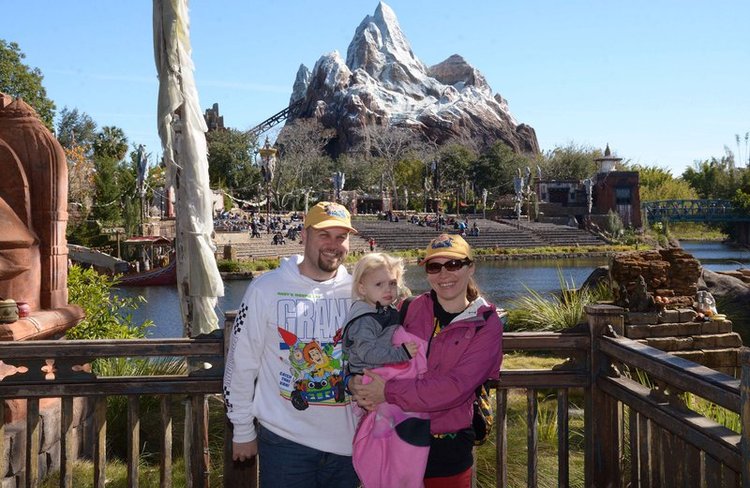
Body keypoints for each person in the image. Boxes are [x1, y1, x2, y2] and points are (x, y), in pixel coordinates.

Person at [223, 201, 360, 488]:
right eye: (324, 234)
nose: (333, 244)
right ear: (304, 235)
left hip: (348, 446)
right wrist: (242, 428)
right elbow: (242, 361)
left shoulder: (359, 291)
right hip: (286, 443)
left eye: (341, 236)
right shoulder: (266, 288)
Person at [350, 233, 503, 487]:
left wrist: (387, 392)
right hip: (395, 443)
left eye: (453, 264)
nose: (444, 274)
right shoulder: (408, 308)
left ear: (470, 267)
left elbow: (455, 387)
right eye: (435, 266)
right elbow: (368, 350)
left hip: (447, 452)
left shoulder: (485, 324)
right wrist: (354, 381)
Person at [342, 252, 430, 488]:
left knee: (392, 440)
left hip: (379, 381)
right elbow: (369, 354)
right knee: (393, 438)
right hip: (371, 380)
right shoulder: (364, 319)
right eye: (379, 284)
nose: (388, 289)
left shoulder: (384, 310)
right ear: (362, 288)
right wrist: (401, 353)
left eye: (392, 283)